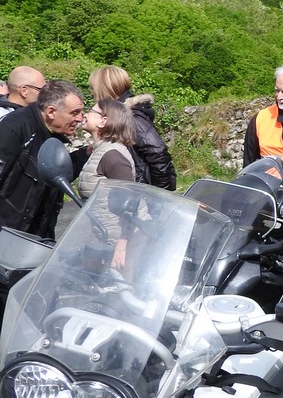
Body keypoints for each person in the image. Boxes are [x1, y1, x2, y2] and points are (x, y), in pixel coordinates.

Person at [0, 80, 88, 238]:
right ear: (51, 112)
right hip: (8, 235)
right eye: (74, 113)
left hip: (36, 236)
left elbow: (52, 175)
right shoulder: (12, 129)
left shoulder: (52, 131)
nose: (80, 119)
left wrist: (86, 154)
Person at [89, 66, 178, 191]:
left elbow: (158, 153)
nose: (92, 93)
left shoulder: (131, 117)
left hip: (142, 193)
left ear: (104, 88)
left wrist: (159, 194)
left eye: (94, 88)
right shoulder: (120, 114)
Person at [78, 98, 139, 267]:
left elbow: (131, 204)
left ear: (104, 121)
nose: (85, 114)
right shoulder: (100, 150)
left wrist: (121, 247)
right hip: (104, 237)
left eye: (90, 111)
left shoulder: (113, 155)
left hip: (120, 243)